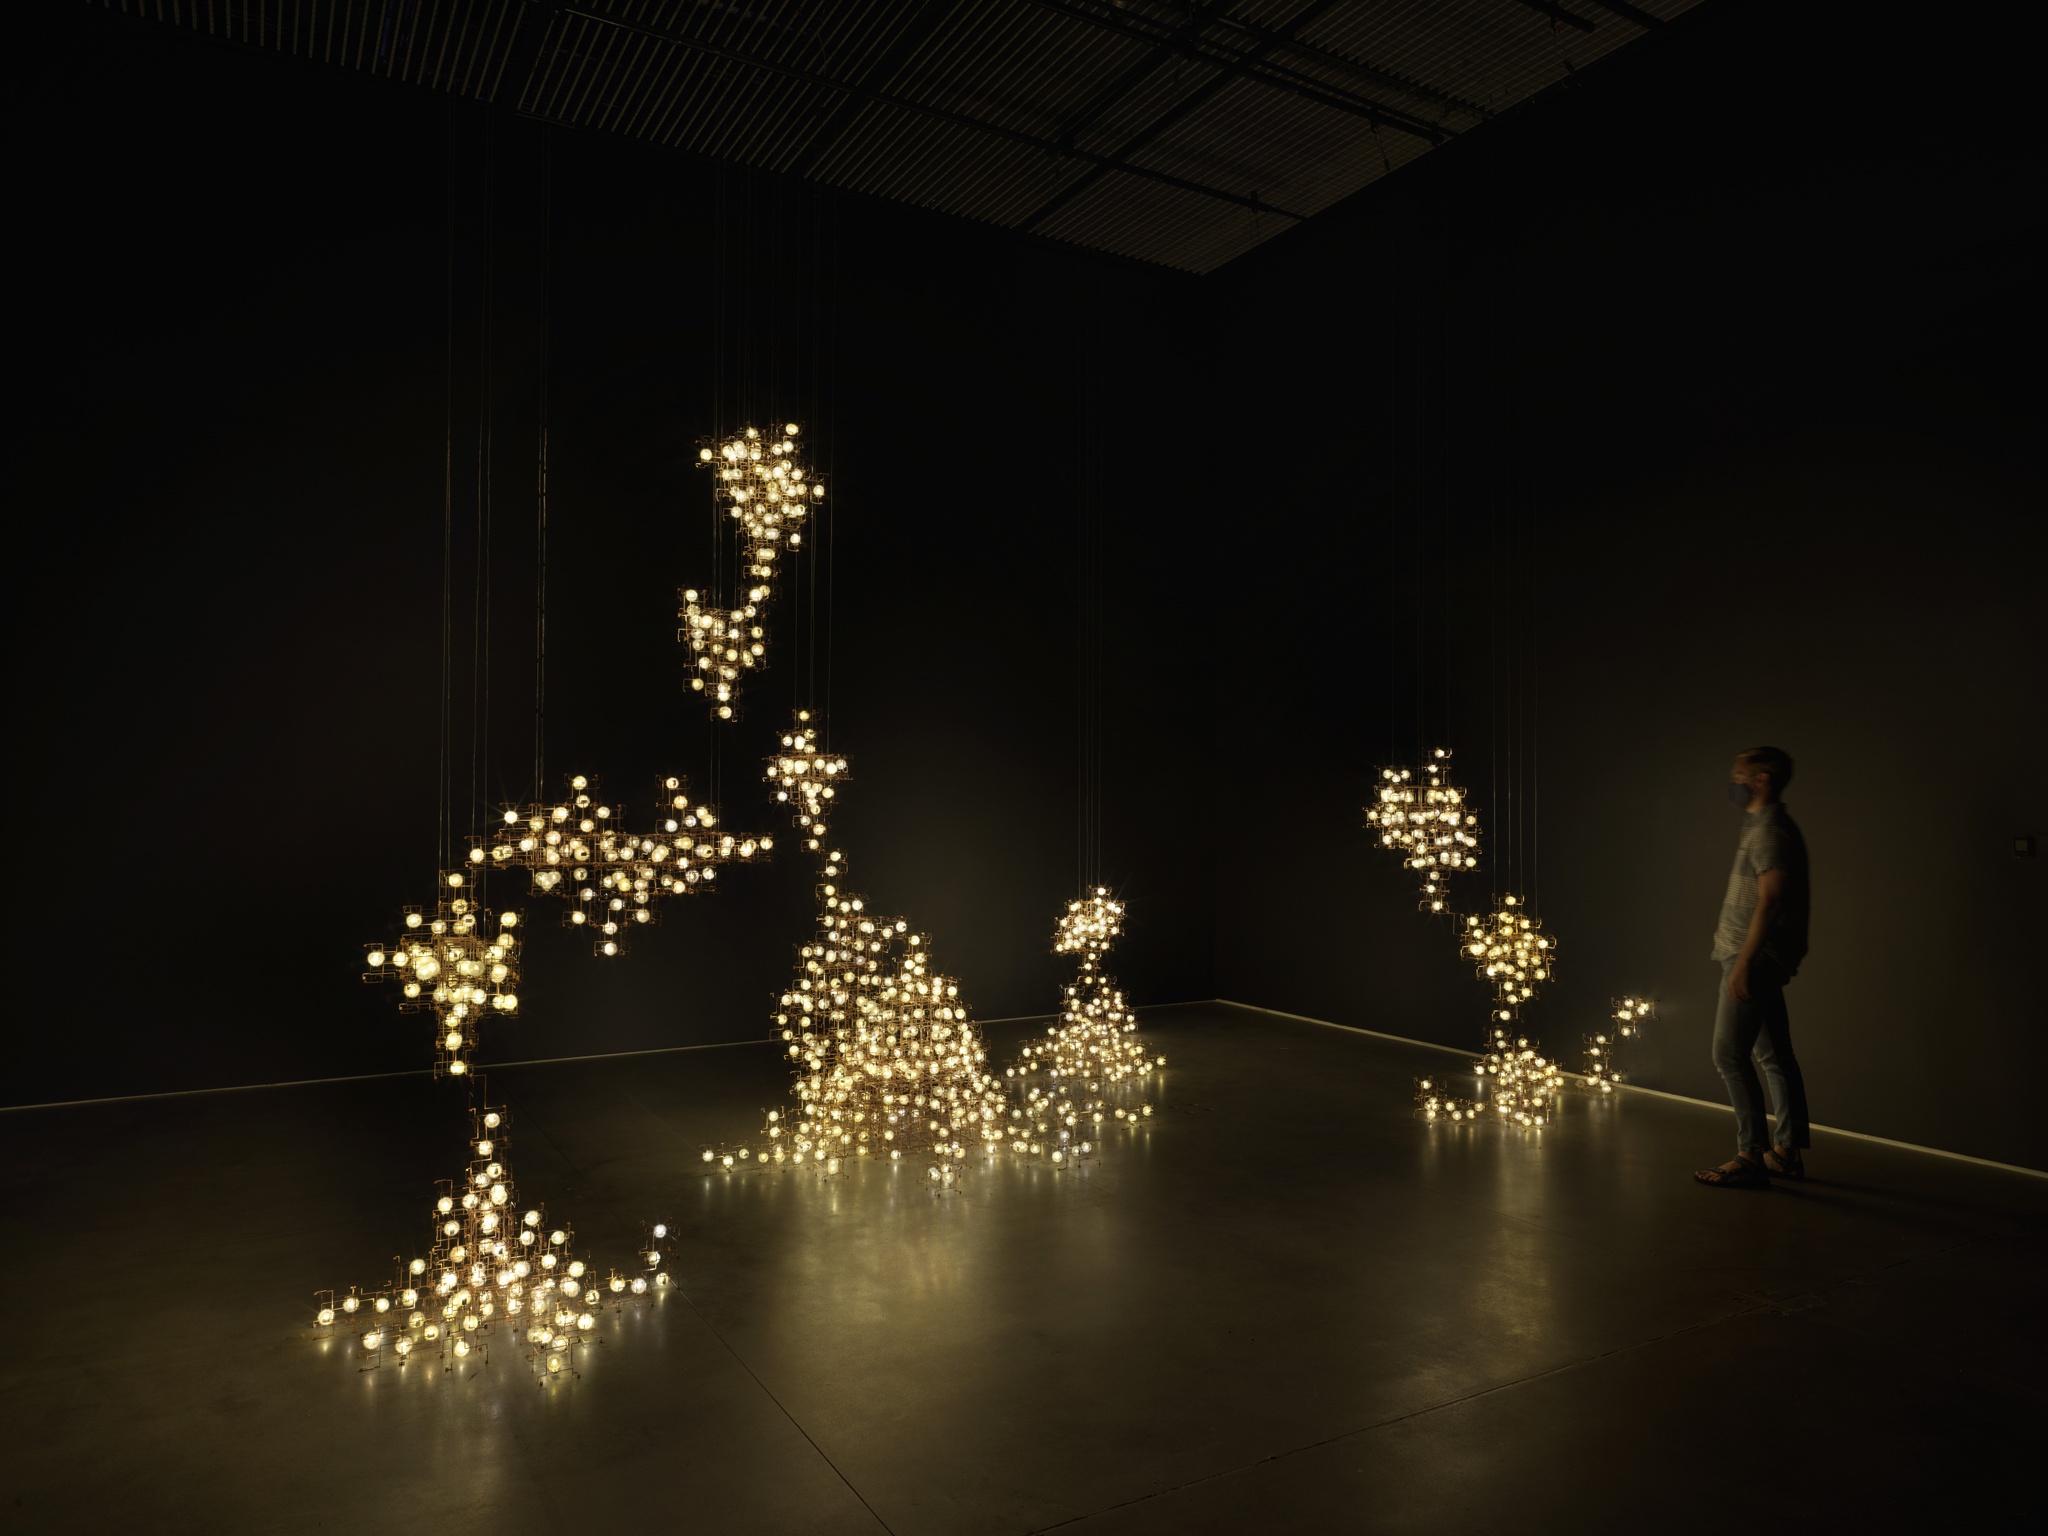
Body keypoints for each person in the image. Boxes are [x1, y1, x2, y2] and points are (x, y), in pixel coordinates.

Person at [1693, 746, 1811, 1187]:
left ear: (1760, 780)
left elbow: (1772, 900)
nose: (1733, 782)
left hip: (1753, 958)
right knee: (1774, 1055)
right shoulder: (1762, 826)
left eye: (1738, 774)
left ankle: (1751, 1155)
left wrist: (1743, 962)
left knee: (1728, 1055)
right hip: (1752, 956)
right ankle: (1785, 1151)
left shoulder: (1771, 832)